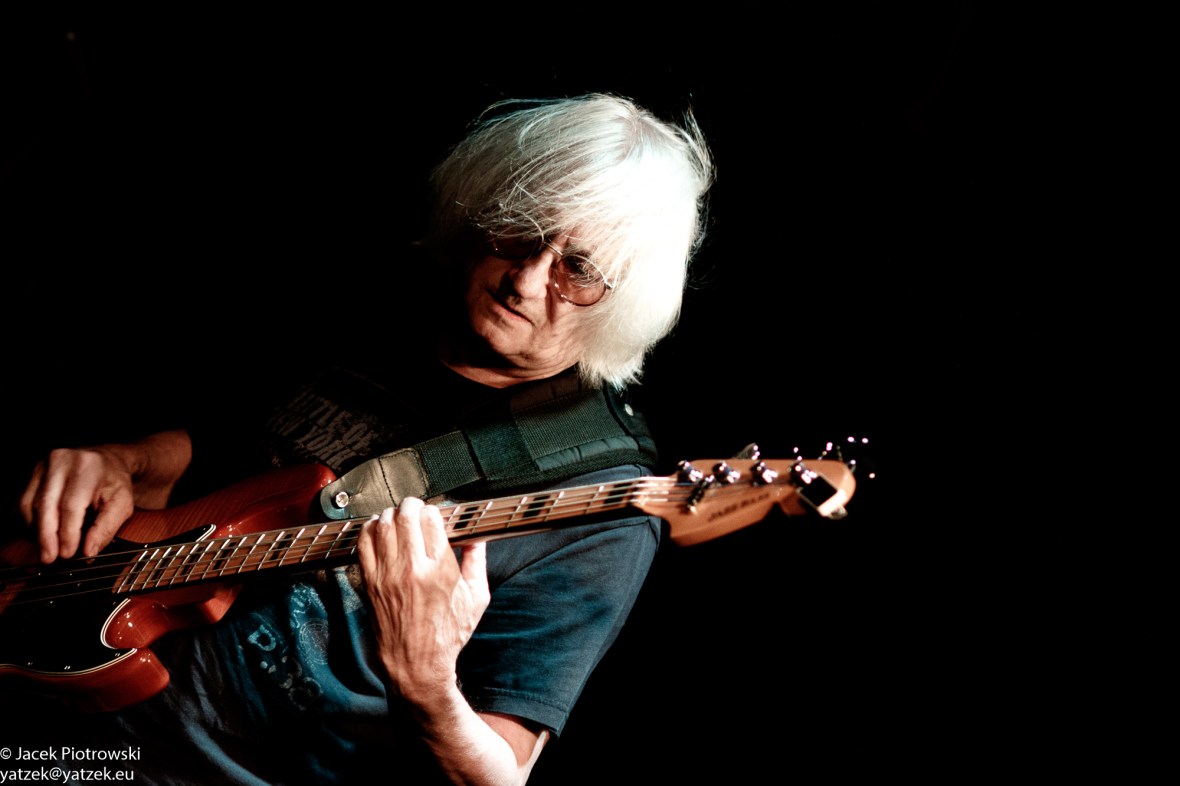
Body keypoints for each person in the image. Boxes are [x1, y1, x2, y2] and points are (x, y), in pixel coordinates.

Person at [5, 93, 713, 785]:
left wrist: (427, 684)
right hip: (59, 718)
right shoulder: (385, 302)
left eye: (578, 269)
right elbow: (231, 444)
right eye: (519, 229)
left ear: (628, 298)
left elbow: (502, 772)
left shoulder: (603, 503)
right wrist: (125, 461)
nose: (526, 280)